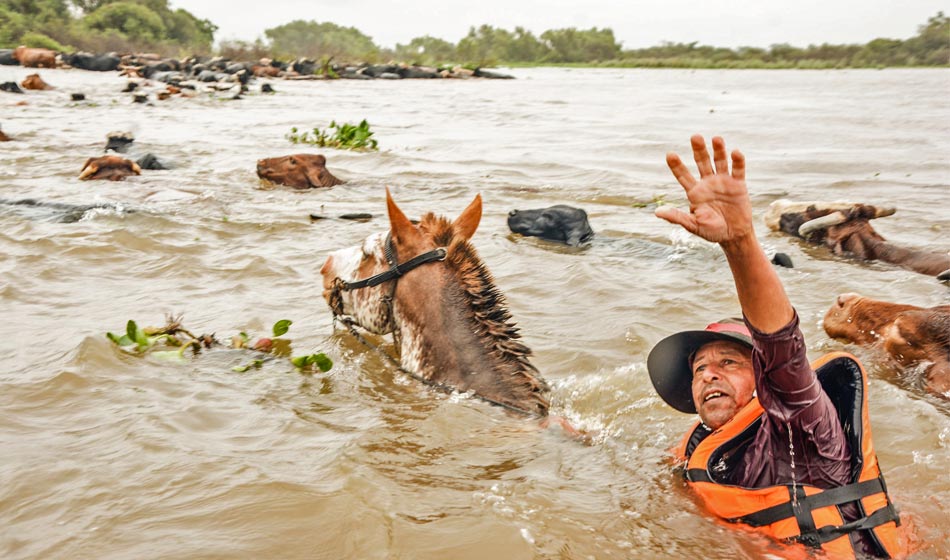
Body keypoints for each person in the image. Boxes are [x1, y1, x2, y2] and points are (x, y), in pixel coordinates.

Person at [646, 135, 903, 559]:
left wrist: (740, 241)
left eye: (728, 362)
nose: (709, 374)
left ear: (763, 378)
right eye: (699, 370)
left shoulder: (804, 428)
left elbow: (781, 346)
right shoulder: (703, 444)